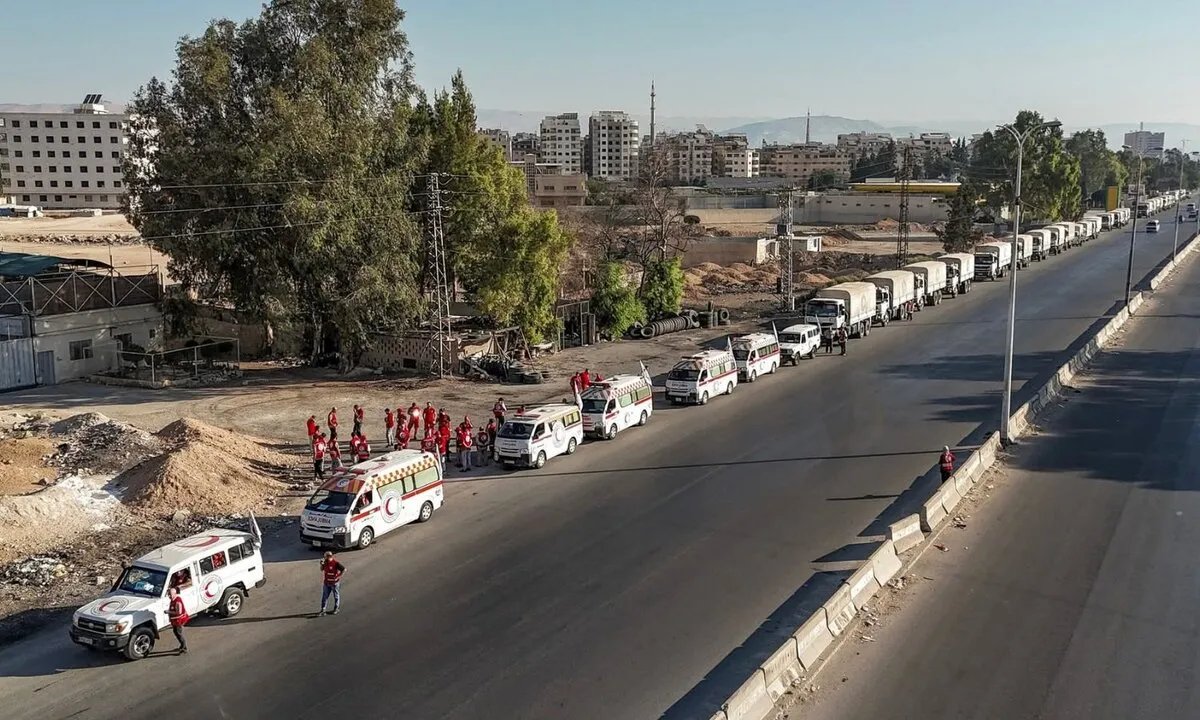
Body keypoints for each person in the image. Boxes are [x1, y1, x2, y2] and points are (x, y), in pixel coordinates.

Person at [318, 551, 345, 616]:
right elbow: (322, 569)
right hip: (326, 583)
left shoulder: (335, 563)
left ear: (328, 557)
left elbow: (344, 569)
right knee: (324, 596)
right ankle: (323, 609)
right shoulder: (325, 562)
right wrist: (321, 564)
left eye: (325, 556)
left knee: (336, 596)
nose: (324, 558)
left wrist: (338, 576)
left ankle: (336, 608)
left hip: (334, 583)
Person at [167, 586, 189, 654]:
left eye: (170, 594)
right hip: (175, 621)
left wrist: (168, 612)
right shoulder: (173, 599)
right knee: (176, 632)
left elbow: (178, 612)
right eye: (168, 594)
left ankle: (184, 648)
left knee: (178, 633)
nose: (169, 596)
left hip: (178, 621)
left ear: (175, 593)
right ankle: (182, 646)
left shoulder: (177, 601)